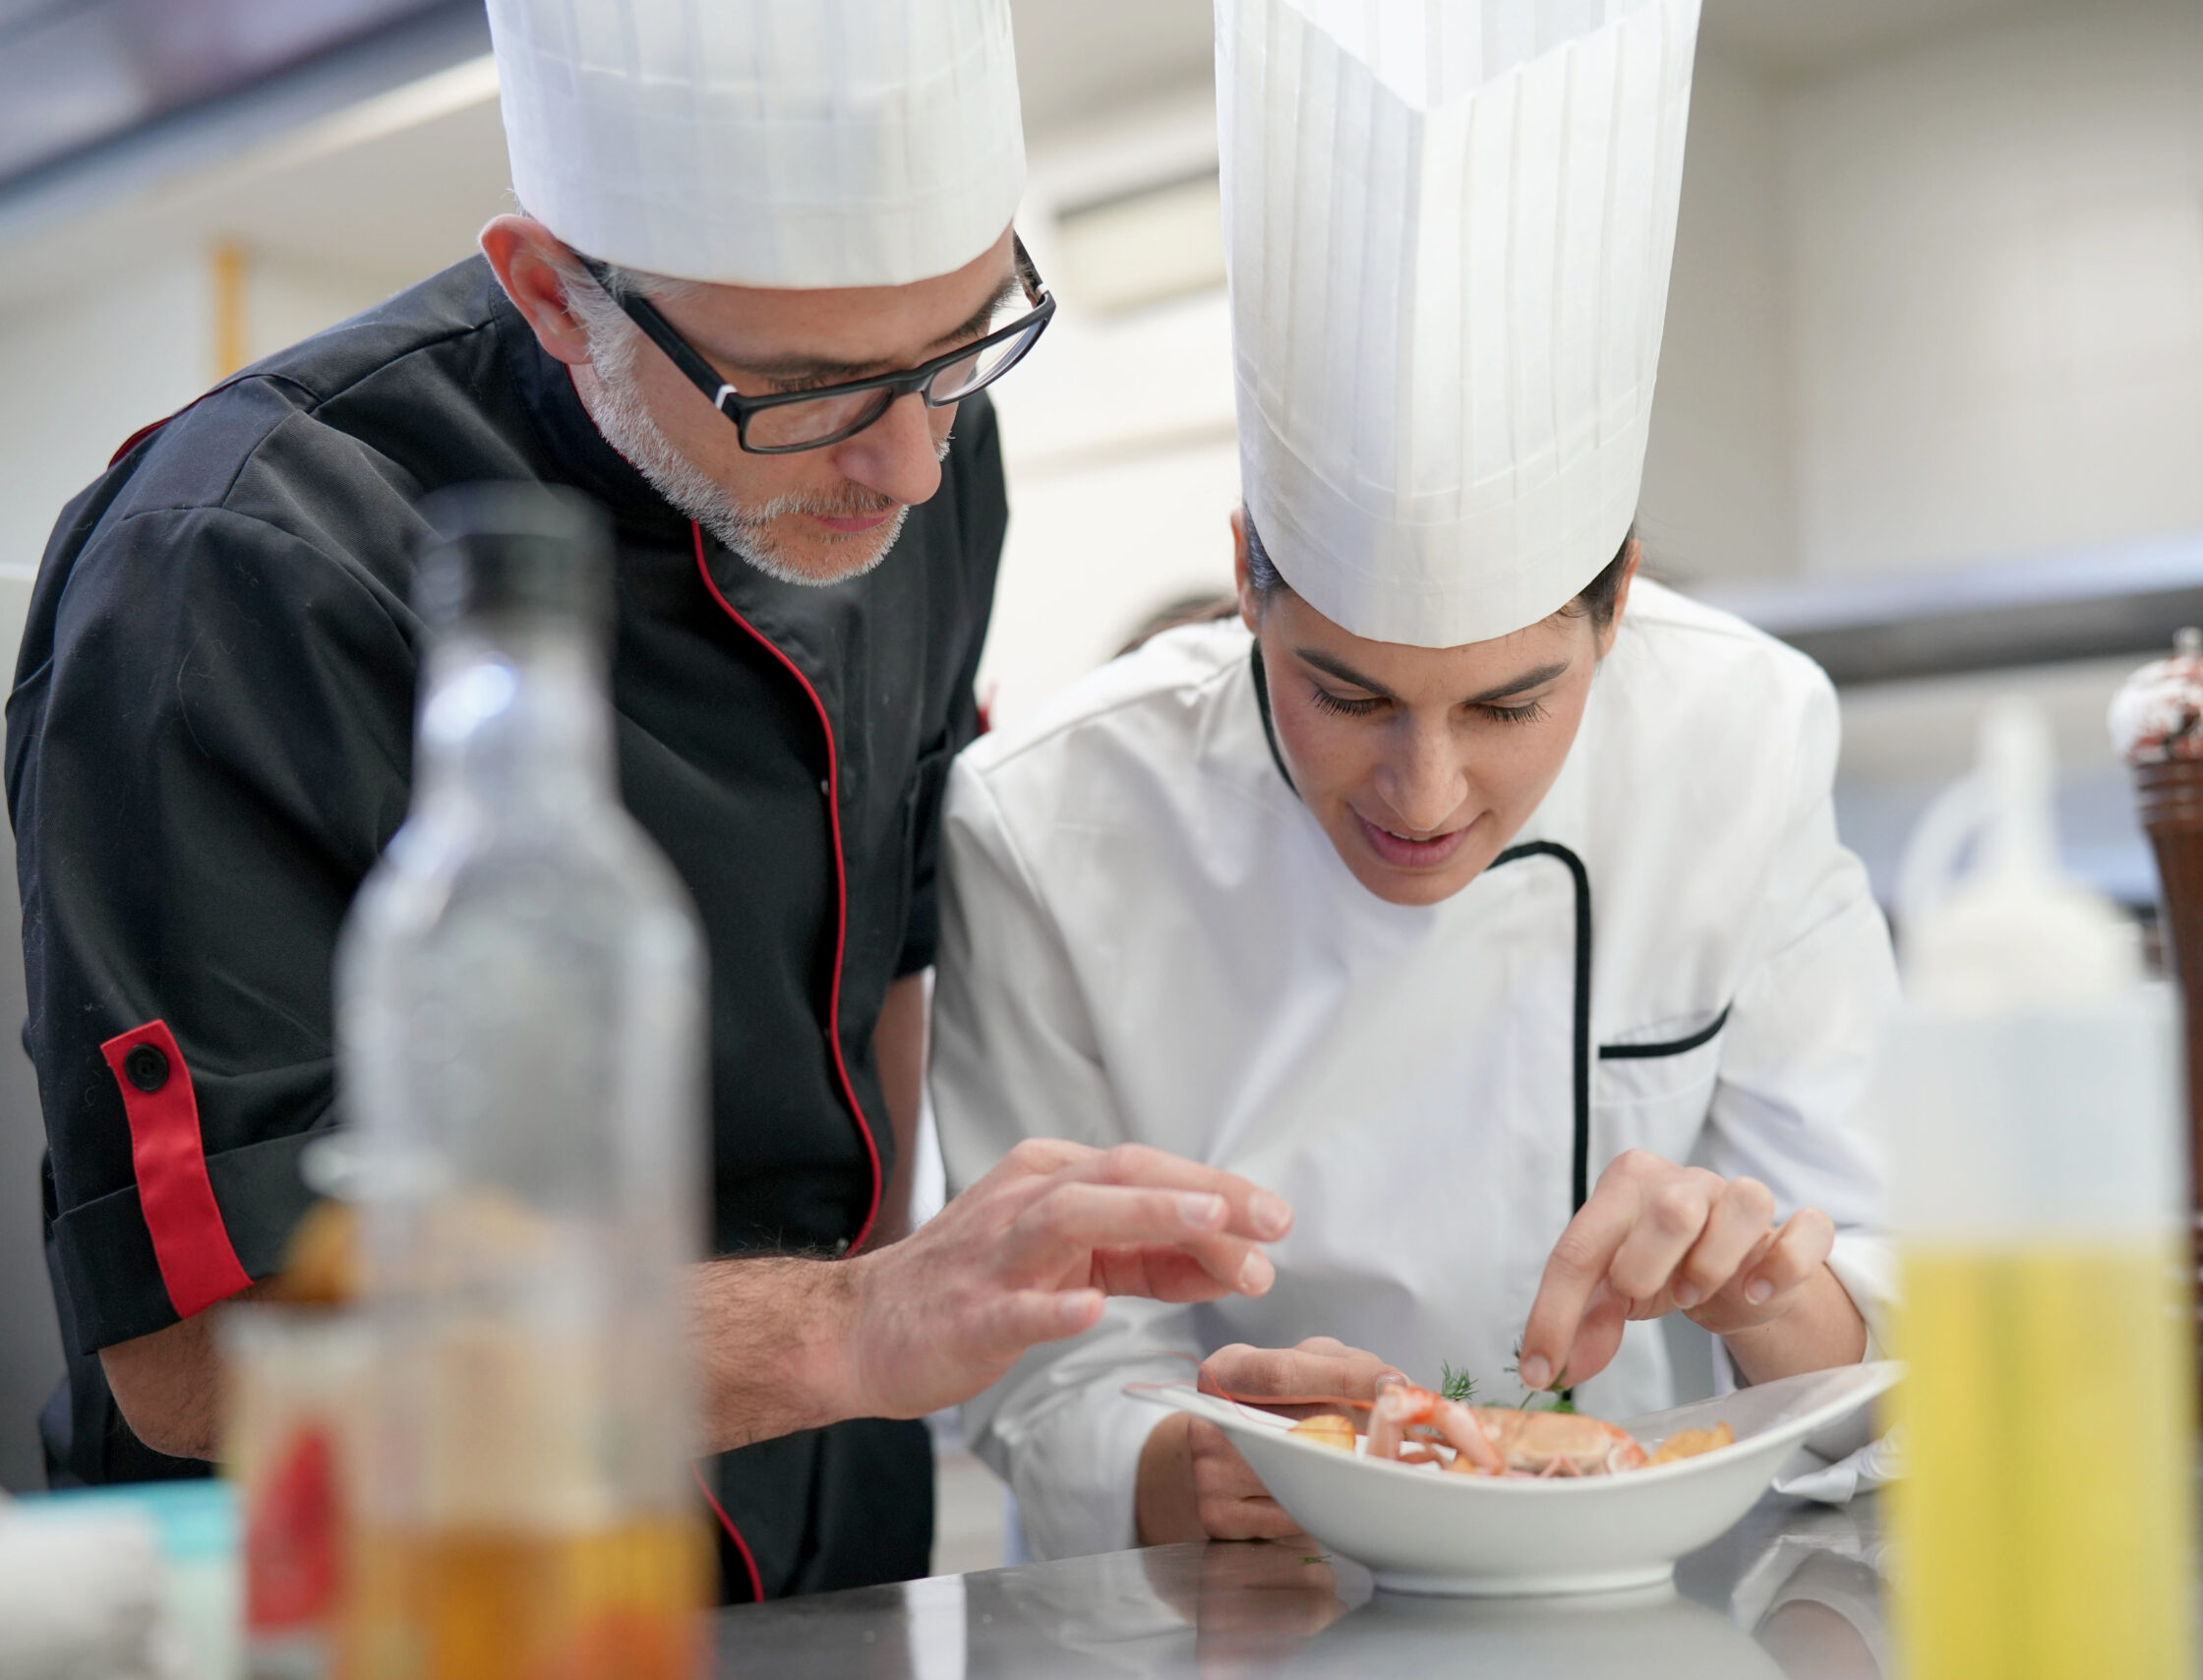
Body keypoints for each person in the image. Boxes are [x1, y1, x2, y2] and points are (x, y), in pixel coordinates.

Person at [8, 0, 1289, 1599]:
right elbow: (202, 1360)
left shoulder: (935, 444)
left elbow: (884, 969)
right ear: (553, 294)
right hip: (388, 1592)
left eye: (964, 342)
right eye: (805, 393)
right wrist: (854, 1325)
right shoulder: (238, 564)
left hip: (835, 1562)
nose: (906, 465)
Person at [931, 0, 1896, 1558]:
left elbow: (1881, 1311)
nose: (1426, 793)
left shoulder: (1743, 735)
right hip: (1229, 1622)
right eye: (1344, 691)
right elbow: (1046, 1381)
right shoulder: (1045, 822)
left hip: (1657, 1592)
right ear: (1246, 579)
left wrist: (1772, 1289)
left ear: (1618, 601)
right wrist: (1206, 1463)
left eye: (1512, 704)